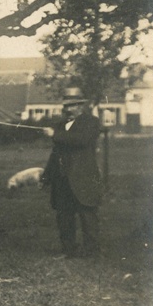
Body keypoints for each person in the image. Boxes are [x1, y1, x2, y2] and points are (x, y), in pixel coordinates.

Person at [40, 87, 103, 258]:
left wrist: (55, 134)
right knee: (64, 216)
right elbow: (56, 154)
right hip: (62, 179)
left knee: (87, 215)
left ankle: (92, 252)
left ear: (81, 106)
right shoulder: (61, 125)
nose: (68, 109)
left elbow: (81, 140)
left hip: (83, 178)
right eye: (66, 106)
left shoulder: (91, 122)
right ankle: (68, 250)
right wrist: (46, 176)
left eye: (73, 105)